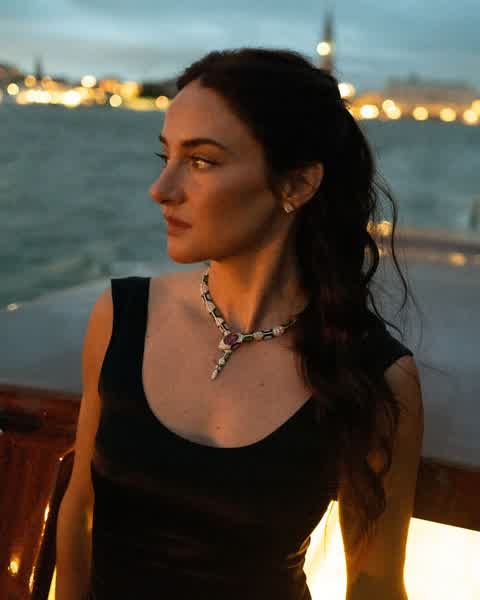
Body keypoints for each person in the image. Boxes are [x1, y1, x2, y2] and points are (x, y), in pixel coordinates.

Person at [55, 48, 423, 600]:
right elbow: (80, 510)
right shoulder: (121, 317)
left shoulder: (373, 373)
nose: (162, 188)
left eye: (201, 161)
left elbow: (374, 583)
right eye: (165, 156)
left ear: (297, 185)